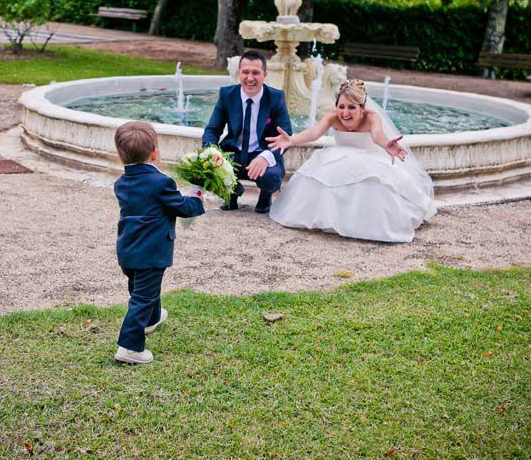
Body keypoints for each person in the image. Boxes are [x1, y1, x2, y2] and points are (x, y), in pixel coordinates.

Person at [266, 79, 436, 243]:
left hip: (368, 159)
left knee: (372, 182)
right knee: (324, 171)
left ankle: (366, 224)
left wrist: (387, 145)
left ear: (362, 107)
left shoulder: (372, 117)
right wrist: (292, 140)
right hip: (338, 158)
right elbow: (315, 132)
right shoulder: (333, 116)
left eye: (351, 108)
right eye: (341, 107)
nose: (345, 113)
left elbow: (378, 136)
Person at [113, 121, 205, 364]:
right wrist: (197, 192)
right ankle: (129, 347)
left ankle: (152, 319)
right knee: (142, 296)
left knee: (142, 288)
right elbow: (184, 208)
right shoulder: (161, 182)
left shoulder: (121, 183)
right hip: (151, 252)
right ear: (154, 152)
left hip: (128, 248)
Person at [202, 51, 292, 213]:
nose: (250, 78)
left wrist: (265, 157)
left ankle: (265, 197)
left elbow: (285, 137)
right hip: (233, 153)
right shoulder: (227, 95)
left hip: (261, 153)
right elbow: (212, 130)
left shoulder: (276, 98)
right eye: (245, 72)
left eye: (256, 73)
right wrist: (211, 152)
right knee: (204, 169)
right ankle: (232, 192)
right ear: (239, 74)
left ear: (265, 75)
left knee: (271, 176)